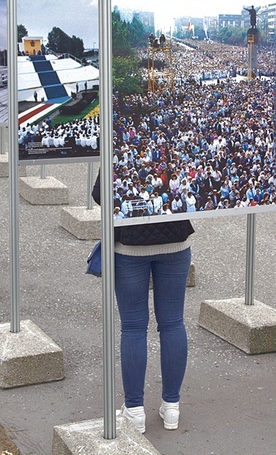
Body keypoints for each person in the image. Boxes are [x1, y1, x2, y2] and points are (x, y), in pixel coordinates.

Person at [93, 173, 194, 433]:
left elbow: (99, 194)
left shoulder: (119, 140)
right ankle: (172, 405)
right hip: (176, 242)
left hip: (129, 246)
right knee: (173, 323)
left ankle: (135, 410)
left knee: (134, 327)